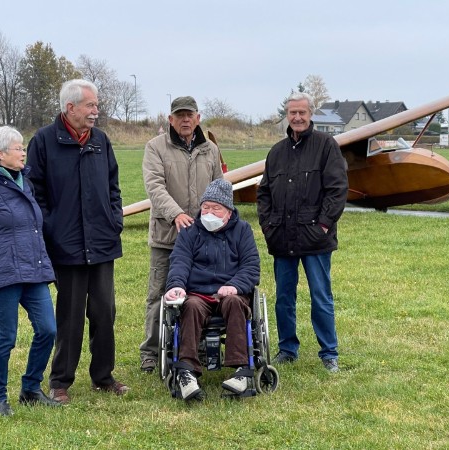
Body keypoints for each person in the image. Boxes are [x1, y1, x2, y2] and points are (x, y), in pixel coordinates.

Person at [26, 79, 128, 404]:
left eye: (96, 105)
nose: (96, 111)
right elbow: (33, 191)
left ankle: (103, 376)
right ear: (70, 108)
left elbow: (113, 185)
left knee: (104, 312)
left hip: (101, 243)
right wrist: (51, 227)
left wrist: (115, 220)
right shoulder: (43, 141)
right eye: (90, 105)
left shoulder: (101, 141)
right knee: (69, 316)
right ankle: (60, 381)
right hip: (66, 245)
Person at [0, 126, 60, 416]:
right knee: (6, 336)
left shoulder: (25, 183)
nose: (23, 152)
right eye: (18, 148)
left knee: (47, 329)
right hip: (4, 274)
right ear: (0, 153)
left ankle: (30, 388)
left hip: (34, 271)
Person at [256, 92, 348, 373]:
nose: (297, 118)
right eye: (292, 113)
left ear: (311, 114)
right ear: (287, 115)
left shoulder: (326, 146)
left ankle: (328, 352)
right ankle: (287, 349)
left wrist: (322, 225)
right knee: (284, 297)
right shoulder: (277, 152)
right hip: (283, 237)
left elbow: (337, 190)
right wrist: (269, 225)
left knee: (321, 295)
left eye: (302, 113)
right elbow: (264, 192)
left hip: (315, 238)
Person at [139, 96, 222, 373]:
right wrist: (176, 214)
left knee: (196, 293)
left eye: (190, 115)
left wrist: (217, 218)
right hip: (166, 237)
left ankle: (194, 345)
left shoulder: (210, 149)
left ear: (198, 118)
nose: (185, 120)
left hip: (202, 238)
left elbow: (219, 188)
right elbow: (155, 187)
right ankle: (151, 352)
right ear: (170, 119)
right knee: (159, 294)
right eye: (179, 115)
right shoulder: (155, 147)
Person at [164, 179, 260, 400]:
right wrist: (176, 286)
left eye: (216, 208)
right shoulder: (190, 232)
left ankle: (241, 371)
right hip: (198, 293)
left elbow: (251, 266)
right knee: (191, 307)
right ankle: (187, 371)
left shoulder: (242, 231)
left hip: (231, 292)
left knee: (236, 304)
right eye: (205, 207)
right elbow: (179, 261)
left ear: (228, 211)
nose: (209, 212)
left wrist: (235, 286)